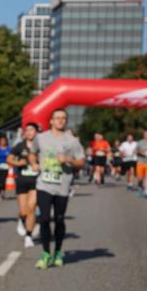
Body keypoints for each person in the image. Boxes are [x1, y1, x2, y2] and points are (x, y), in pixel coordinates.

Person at [31, 109, 84, 269]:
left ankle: (58, 252)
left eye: (63, 118)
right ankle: (46, 252)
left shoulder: (72, 141)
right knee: (45, 218)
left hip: (62, 185)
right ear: (51, 121)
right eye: (57, 118)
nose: (61, 121)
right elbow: (33, 153)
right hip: (44, 184)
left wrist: (68, 159)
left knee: (59, 219)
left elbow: (81, 162)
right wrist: (34, 163)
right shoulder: (40, 138)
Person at [7, 122, 40, 248]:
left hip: (36, 181)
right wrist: (17, 162)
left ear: (36, 132)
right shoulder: (20, 146)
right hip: (22, 180)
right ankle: (22, 220)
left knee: (32, 208)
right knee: (24, 211)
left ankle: (28, 236)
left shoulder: (41, 146)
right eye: (27, 130)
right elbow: (9, 159)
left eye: (32, 130)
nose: (29, 132)